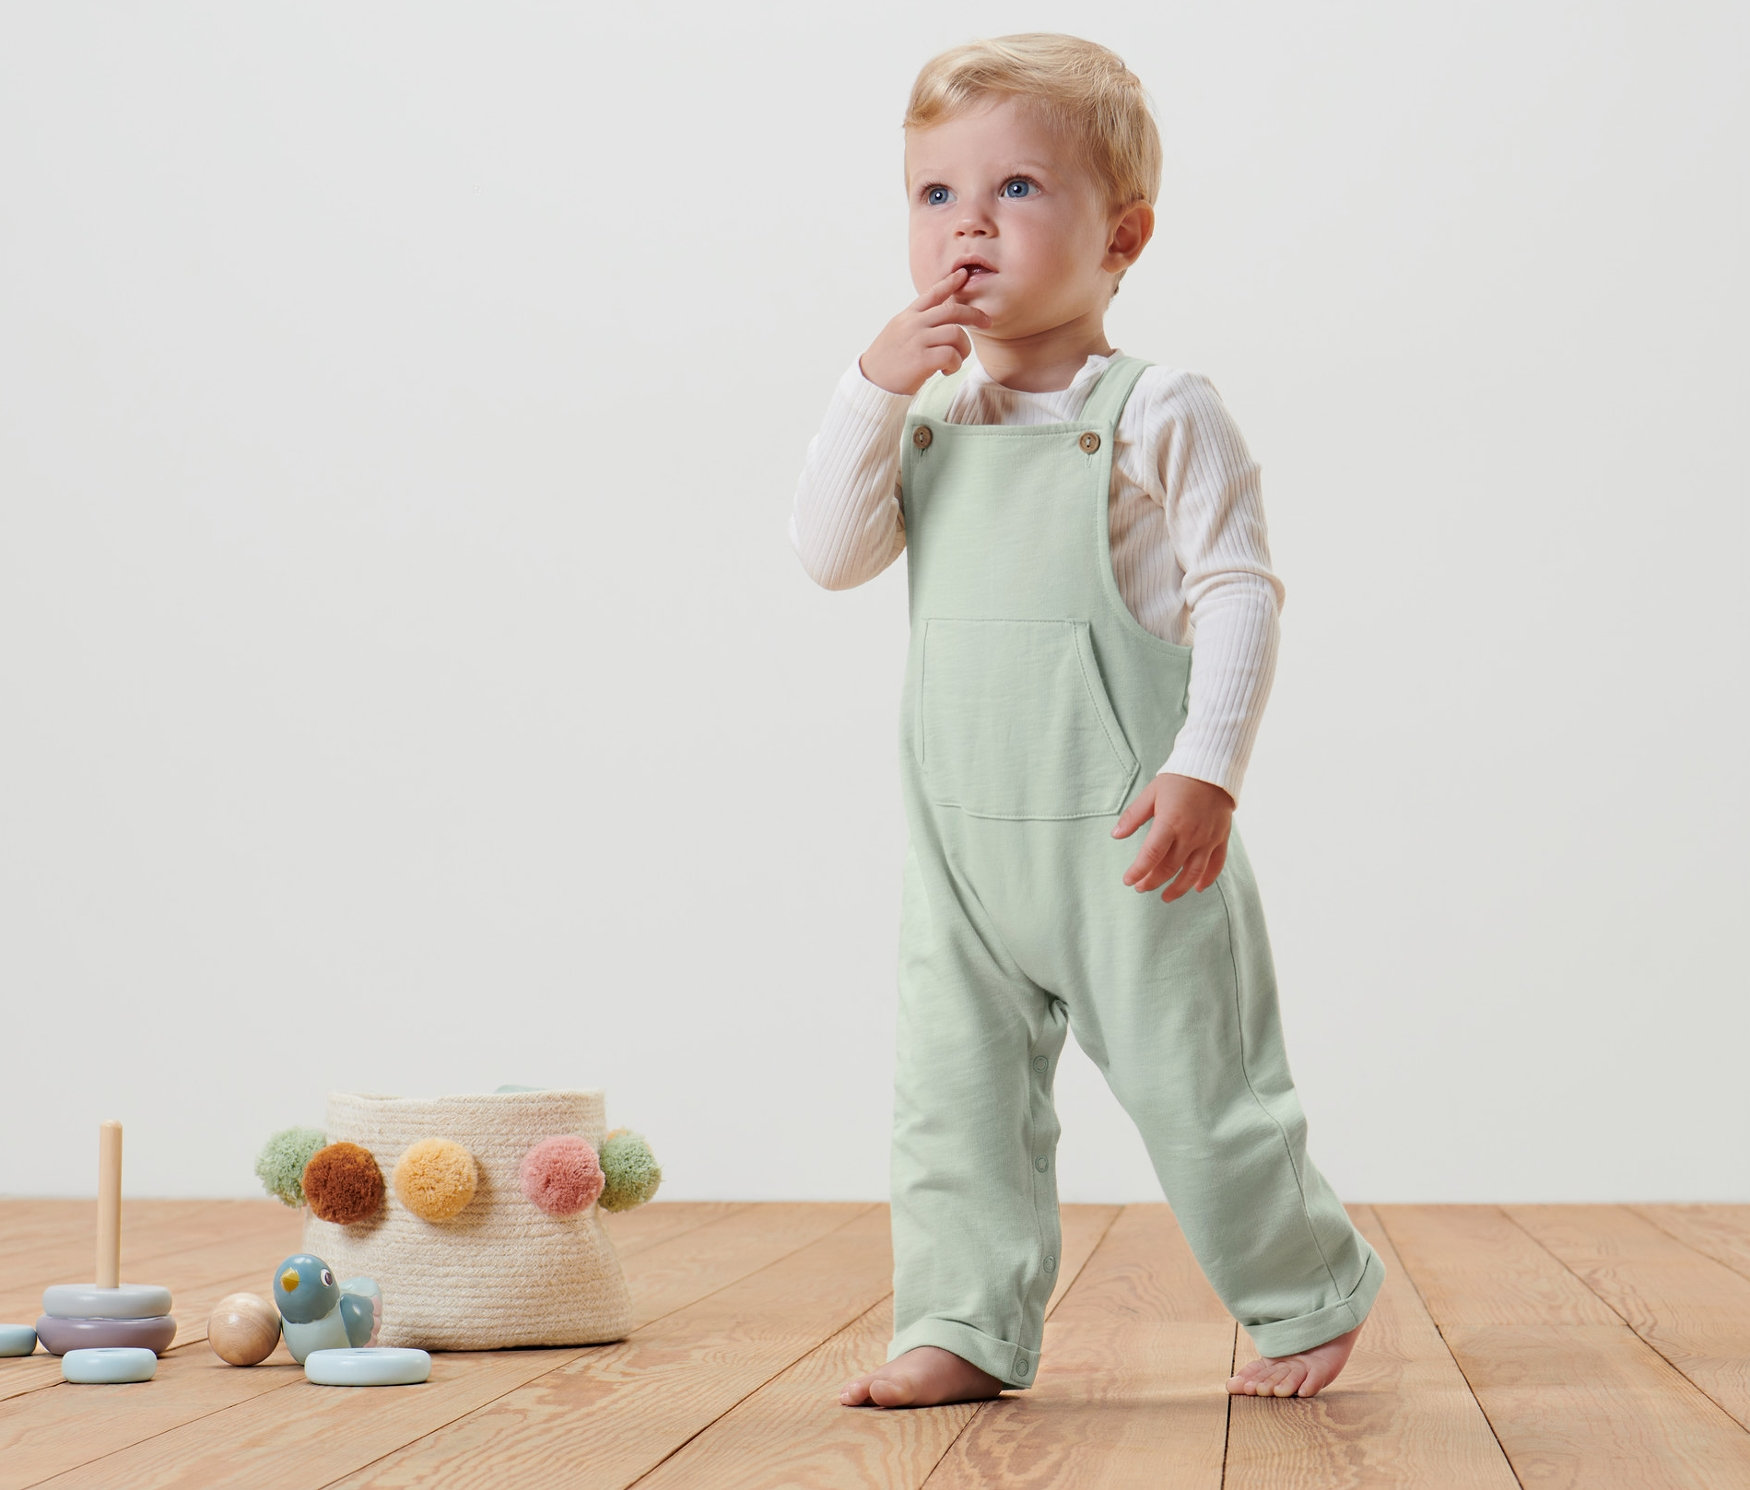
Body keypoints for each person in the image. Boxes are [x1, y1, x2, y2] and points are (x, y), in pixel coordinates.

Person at [789, 32, 1383, 1410]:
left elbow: (1237, 587)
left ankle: (1304, 1287)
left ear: (1121, 236)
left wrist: (1205, 769)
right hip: (963, 854)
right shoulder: (927, 417)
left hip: (1129, 835)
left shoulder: (1156, 407)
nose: (966, 228)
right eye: (934, 196)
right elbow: (827, 552)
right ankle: (959, 1320)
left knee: (1201, 1085)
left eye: (1013, 190)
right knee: (953, 1102)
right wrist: (870, 385)